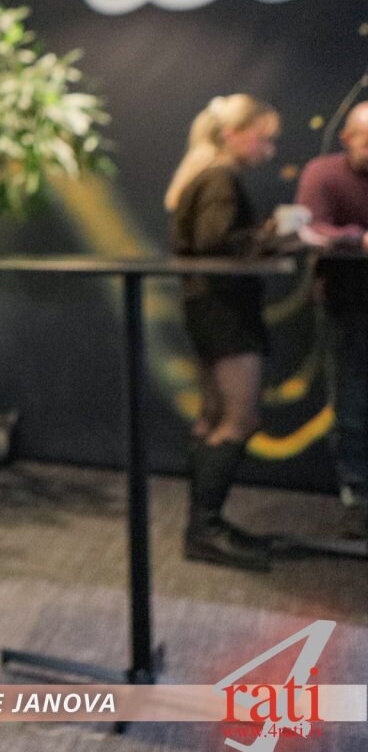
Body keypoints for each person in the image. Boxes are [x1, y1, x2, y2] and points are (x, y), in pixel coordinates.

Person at [164, 94, 282, 571]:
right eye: (263, 138)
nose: (269, 149)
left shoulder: (202, 175)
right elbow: (215, 242)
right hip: (225, 312)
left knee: (213, 417)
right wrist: (271, 236)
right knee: (238, 418)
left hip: (205, 308)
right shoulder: (220, 178)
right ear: (233, 134)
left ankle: (204, 526)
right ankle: (205, 529)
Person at [294, 101, 368, 538]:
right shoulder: (322, 173)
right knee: (353, 403)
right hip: (346, 305)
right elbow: (310, 229)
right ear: (347, 138)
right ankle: (358, 497)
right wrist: (359, 240)